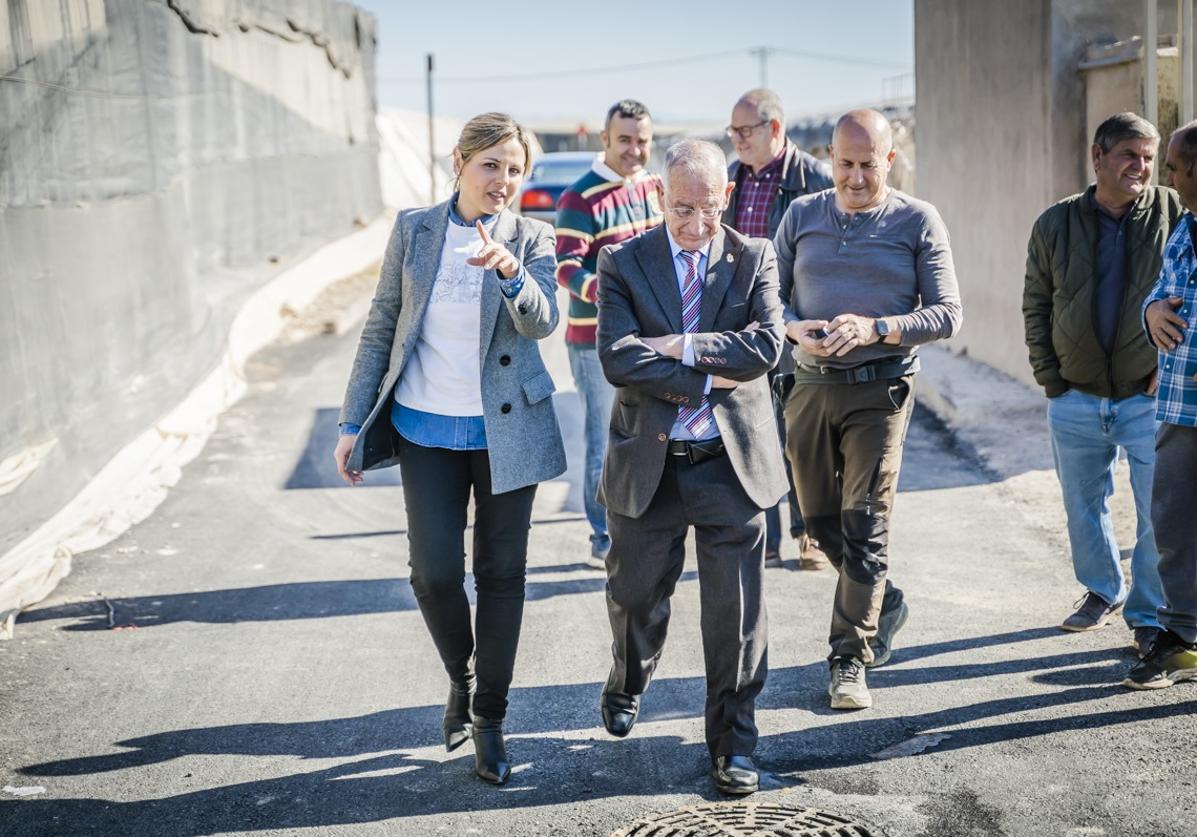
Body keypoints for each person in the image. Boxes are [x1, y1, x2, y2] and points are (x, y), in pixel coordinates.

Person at [333, 113, 566, 786]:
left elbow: (542, 320)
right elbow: (381, 326)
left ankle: (489, 717)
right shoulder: (414, 229)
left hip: (507, 433)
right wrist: (353, 422)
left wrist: (512, 272)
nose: (503, 180)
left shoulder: (535, 237)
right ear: (459, 163)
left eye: (514, 168)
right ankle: (462, 676)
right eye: (491, 164)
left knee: (500, 576)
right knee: (433, 574)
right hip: (425, 427)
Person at [595, 139, 788, 796]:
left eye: (707, 209)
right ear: (659, 196)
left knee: (734, 616)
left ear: (724, 197)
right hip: (649, 462)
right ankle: (628, 675)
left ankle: (732, 744)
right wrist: (708, 377)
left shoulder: (754, 257)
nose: (696, 225)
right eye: (681, 209)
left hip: (728, 464)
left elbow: (763, 345)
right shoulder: (621, 260)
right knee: (634, 594)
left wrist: (679, 347)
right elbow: (618, 358)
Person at [775, 109, 962, 711]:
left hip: (879, 392)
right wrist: (793, 328)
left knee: (864, 522)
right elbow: (769, 300)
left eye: (868, 164)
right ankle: (884, 597)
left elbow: (946, 314)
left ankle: (848, 658)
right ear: (830, 158)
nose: (856, 178)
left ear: (890, 159)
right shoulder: (801, 215)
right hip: (807, 385)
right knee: (817, 521)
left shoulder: (916, 220)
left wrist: (878, 327)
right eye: (845, 164)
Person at [1023, 112, 1182, 655]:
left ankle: (1147, 613)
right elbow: (1036, 305)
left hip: (1148, 393)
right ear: (1098, 157)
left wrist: (1174, 369)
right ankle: (1100, 591)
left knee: (1155, 509)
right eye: (1129, 155)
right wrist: (1051, 380)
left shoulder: (1174, 213)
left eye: (1148, 157)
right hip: (1075, 394)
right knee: (1082, 505)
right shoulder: (1054, 223)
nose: (1141, 167)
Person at [722, 87, 833, 570]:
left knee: (801, 435)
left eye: (745, 131)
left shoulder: (814, 180)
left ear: (775, 128)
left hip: (796, 321)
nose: (737, 140)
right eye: (733, 132)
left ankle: (809, 532)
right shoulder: (731, 179)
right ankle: (765, 537)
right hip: (744, 325)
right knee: (751, 429)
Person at [555, 99, 662, 569]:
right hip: (593, 340)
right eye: (624, 140)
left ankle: (638, 526)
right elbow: (566, 269)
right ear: (605, 140)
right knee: (604, 439)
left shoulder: (656, 189)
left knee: (644, 435)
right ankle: (602, 536)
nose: (634, 150)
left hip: (648, 340)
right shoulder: (580, 198)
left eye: (642, 140)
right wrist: (616, 292)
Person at [1124, 119, 1197, 689]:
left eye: (1172, 166)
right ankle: (1179, 639)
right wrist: (1151, 314)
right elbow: (1159, 290)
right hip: (1178, 407)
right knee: (1171, 524)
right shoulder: (1183, 230)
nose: (1165, 177)